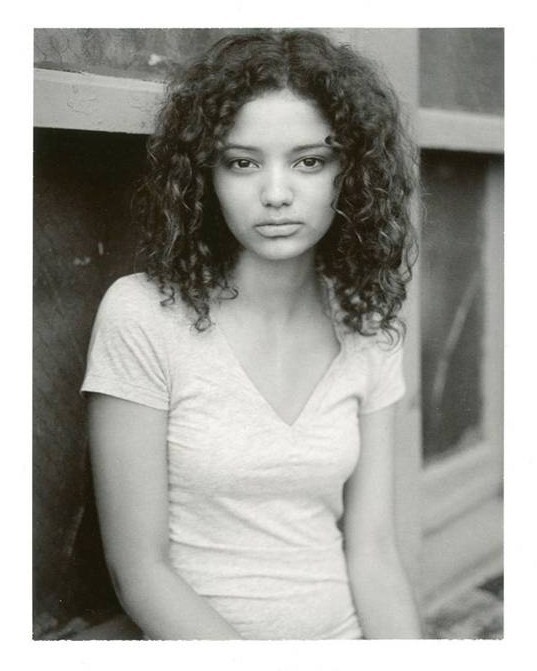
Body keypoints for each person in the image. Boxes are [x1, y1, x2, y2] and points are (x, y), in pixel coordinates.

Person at [81, 29, 422, 640]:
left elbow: (373, 553)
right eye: (242, 162)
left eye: (309, 161)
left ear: (349, 173)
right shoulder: (143, 315)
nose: (276, 194)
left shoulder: (368, 326)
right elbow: (139, 571)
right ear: (205, 176)